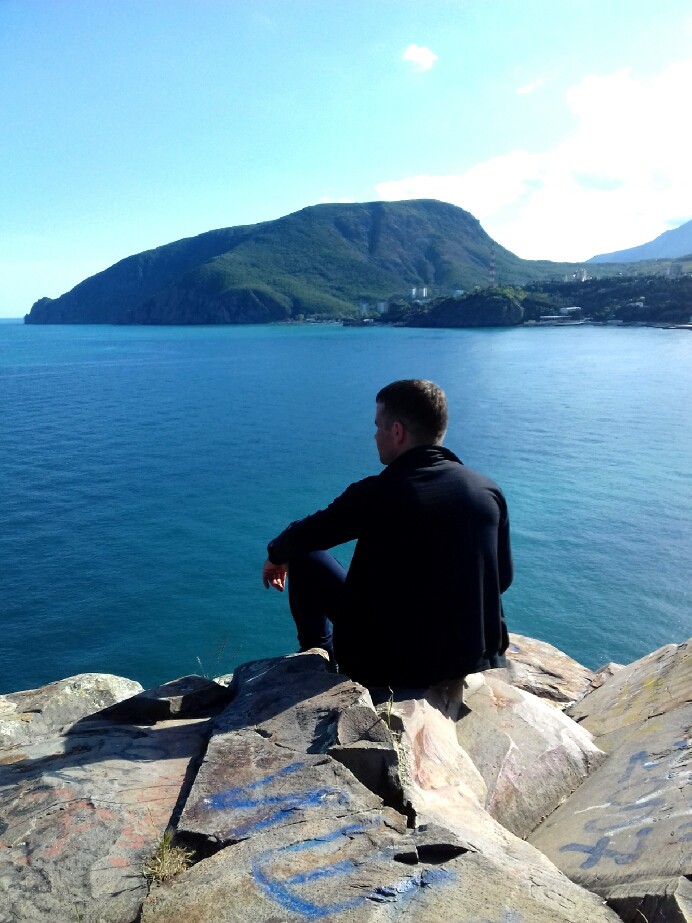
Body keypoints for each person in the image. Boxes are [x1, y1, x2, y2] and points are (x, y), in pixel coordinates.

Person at [262, 379, 513, 690]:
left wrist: (276, 555)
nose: (374, 435)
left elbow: (307, 535)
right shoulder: (487, 490)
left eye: (378, 426)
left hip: (387, 665)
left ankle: (320, 658)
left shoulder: (377, 493)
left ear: (397, 432)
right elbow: (502, 579)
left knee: (304, 556)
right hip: (469, 657)